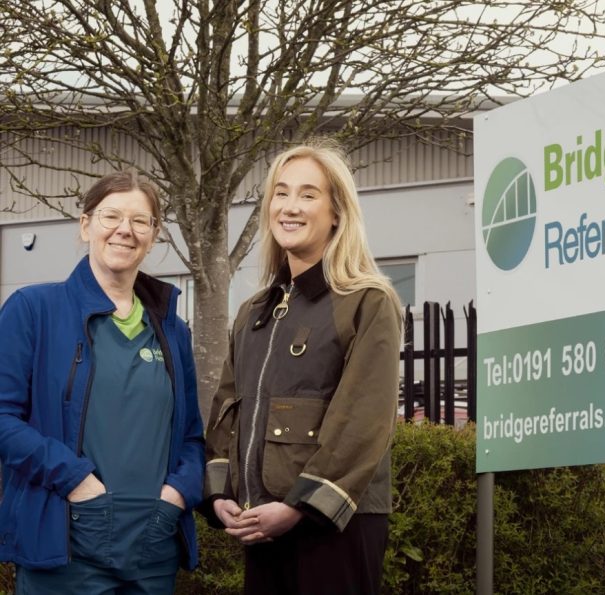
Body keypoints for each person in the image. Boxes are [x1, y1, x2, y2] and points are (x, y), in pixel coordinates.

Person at [201, 139, 402, 594]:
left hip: (335, 526)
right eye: (281, 192)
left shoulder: (368, 301)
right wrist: (219, 495)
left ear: (336, 213)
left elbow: (363, 421)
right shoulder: (253, 311)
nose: (290, 207)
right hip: (262, 524)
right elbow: (225, 411)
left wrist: (298, 507)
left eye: (308, 195)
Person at [0, 171, 205, 594]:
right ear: (85, 224)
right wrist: (76, 481)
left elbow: (191, 438)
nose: (124, 231)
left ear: (153, 234)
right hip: (66, 549)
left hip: (154, 547)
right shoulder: (34, 311)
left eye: (140, 221)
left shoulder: (171, 328)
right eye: (111, 216)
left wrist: (177, 496)